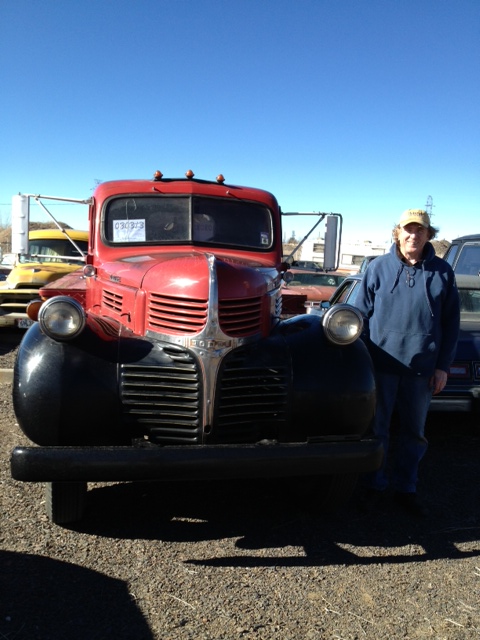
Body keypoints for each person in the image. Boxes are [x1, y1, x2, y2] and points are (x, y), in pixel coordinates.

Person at [355, 209, 460, 516]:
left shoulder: (443, 272)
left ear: (429, 235)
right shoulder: (377, 268)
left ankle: (406, 488)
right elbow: (359, 314)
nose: (414, 235)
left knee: (414, 432)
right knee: (378, 429)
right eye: (408, 229)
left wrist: (442, 367)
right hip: (381, 366)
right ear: (397, 232)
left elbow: (451, 324)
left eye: (421, 230)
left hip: (422, 369)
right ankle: (374, 484)